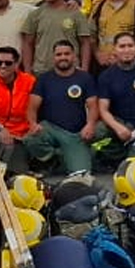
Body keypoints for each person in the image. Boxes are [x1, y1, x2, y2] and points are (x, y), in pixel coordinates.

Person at [23, 41, 99, 176]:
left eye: (67, 54)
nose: (63, 57)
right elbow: (32, 107)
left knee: (81, 172)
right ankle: (55, 159)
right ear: (54, 57)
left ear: (74, 56)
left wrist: (90, 125)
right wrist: (33, 124)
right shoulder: (44, 79)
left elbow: (93, 105)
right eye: (59, 54)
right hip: (51, 129)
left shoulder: (85, 78)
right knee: (31, 139)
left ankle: (64, 158)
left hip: (75, 134)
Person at [96, 31, 135, 169]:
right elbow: (103, 109)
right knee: (97, 131)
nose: (126, 50)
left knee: (134, 165)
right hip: (121, 124)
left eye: (130, 46)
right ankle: (116, 152)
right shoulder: (106, 76)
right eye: (122, 46)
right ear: (114, 49)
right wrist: (118, 128)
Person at [22, 0, 96, 74]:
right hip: (42, 71)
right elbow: (27, 43)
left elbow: (85, 43)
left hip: (71, 70)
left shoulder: (76, 14)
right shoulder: (35, 14)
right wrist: (27, 70)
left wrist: (84, 69)